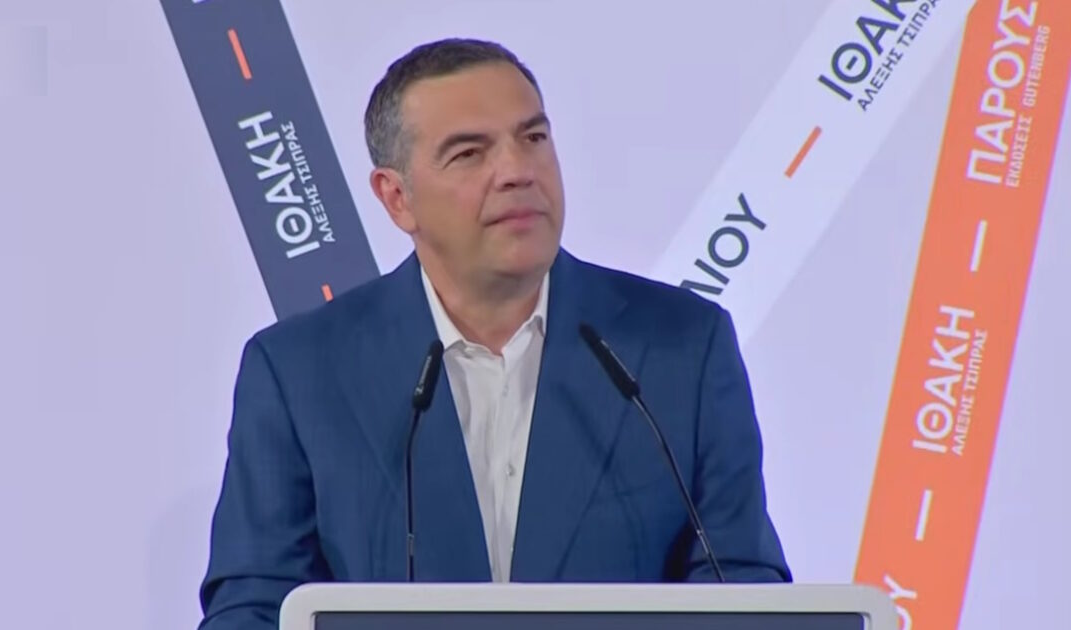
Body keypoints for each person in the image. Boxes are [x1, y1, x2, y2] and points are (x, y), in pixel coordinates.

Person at [198, 37, 790, 630]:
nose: (517, 172)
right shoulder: (299, 372)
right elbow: (251, 611)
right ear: (397, 198)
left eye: (533, 138)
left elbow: (741, 589)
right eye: (469, 153)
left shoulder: (682, 347)